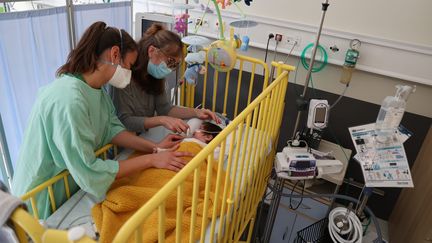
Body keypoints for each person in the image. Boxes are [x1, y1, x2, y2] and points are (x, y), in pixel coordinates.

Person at [11, 21, 192, 219]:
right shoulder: (69, 99)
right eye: (129, 66)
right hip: (40, 201)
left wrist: (155, 148)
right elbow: (90, 171)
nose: (130, 74)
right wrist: (151, 159)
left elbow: (112, 129)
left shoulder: (96, 91)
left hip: (67, 186)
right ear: (114, 54)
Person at [112, 24, 219, 134]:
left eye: (175, 65)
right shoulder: (124, 75)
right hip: (123, 139)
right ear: (152, 51)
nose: (170, 69)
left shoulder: (155, 75)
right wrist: (161, 120)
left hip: (142, 135)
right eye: (170, 62)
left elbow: (165, 109)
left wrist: (196, 112)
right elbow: (125, 121)